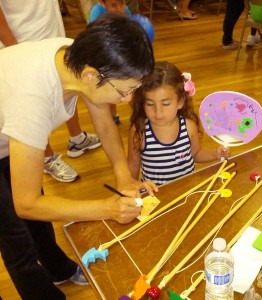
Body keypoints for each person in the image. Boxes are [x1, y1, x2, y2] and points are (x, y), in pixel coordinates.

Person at [0, 12, 157, 300]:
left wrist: (123, 177)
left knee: (39, 222)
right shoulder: (32, 102)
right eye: (124, 91)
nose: (127, 100)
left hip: (9, 130)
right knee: (16, 238)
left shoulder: (79, 57)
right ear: (91, 76)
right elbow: (27, 203)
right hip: (13, 121)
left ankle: (59, 269)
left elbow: (104, 124)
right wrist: (108, 209)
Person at [0, 0, 101, 183]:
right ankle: (46, 157)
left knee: (69, 87)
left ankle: (77, 137)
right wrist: (17, 50)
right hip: (22, 44)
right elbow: (27, 205)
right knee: (36, 113)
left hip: (51, 36)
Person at [127, 61, 231, 186]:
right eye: (149, 104)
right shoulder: (139, 131)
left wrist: (215, 153)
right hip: (154, 195)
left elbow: (196, 153)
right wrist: (130, 189)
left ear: (180, 102)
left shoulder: (188, 126)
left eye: (165, 104)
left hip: (186, 190)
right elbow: (133, 165)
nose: (158, 112)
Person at [88, 0, 132, 125]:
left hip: (120, 56)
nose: (119, 9)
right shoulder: (96, 13)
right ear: (103, 3)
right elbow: (93, 37)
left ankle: (138, 114)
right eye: (113, 5)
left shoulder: (126, 10)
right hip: (103, 59)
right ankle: (113, 115)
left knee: (130, 89)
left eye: (122, 3)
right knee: (109, 89)